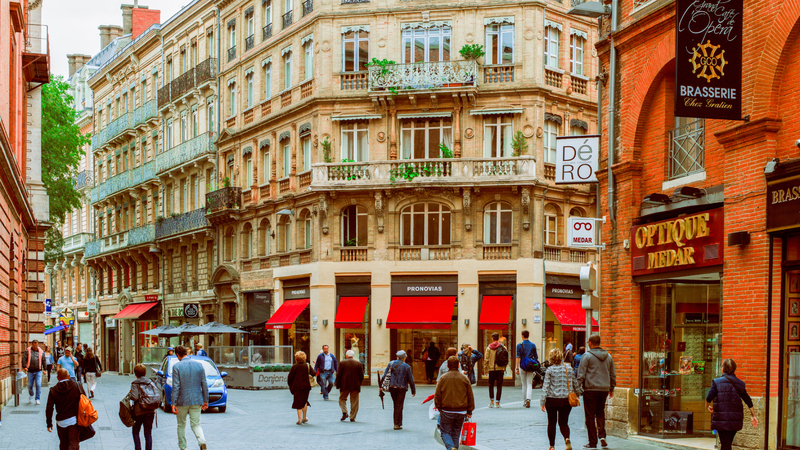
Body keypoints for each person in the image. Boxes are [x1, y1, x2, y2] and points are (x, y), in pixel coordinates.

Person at [706, 359, 758, 450]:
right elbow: (747, 400)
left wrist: (707, 406)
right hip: (734, 420)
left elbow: (709, 397)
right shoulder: (740, 384)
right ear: (734, 369)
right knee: (727, 443)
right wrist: (753, 415)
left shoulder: (717, 382)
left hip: (721, 420)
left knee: (725, 444)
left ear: (723, 369)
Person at [577, 334, 616, 449]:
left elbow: (581, 374)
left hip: (590, 389)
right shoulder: (608, 356)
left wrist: (576, 389)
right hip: (604, 389)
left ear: (590, 343)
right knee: (600, 412)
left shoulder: (587, 356)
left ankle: (592, 442)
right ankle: (602, 436)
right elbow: (612, 374)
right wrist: (611, 388)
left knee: (590, 416)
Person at [171, 346, 208, 450]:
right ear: (186, 353)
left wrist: (173, 403)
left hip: (182, 401)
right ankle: (202, 441)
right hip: (196, 399)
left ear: (178, 355)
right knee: (196, 425)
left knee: (181, 425)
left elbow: (176, 386)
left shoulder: (177, 366)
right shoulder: (199, 365)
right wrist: (206, 400)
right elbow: (204, 384)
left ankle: (183, 448)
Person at [541, 348, 579, 450]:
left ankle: (552, 446)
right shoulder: (569, 369)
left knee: (552, 423)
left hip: (552, 400)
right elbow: (575, 383)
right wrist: (578, 393)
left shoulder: (549, 370)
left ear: (551, 358)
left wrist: (542, 401)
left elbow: (546, 386)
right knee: (564, 423)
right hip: (565, 400)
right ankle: (567, 439)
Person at [435, 356, 475, 450]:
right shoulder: (464, 378)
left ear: (448, 366)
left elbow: (437, 395)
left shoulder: (443, 378)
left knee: (445, 432)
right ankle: (454, 448)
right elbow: (470, 395)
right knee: (456, 433)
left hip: (446, 409)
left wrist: (439, 407)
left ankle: (451, 447)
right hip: (461, 411)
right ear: (458, 365)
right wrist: (469, 410)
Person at [46, 369, 83, 450]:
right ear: (69, 376)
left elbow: (49, 408)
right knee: (74, 443)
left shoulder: (53, 390)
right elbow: (84, 401)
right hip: (74, 420)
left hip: (61, 422)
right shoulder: (76, 386)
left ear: (58, 378)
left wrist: (49, 423)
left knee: (63, 444)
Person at [382, 350, 416, 430]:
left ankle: (398, 423)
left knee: (396, 404)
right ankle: (397, 423)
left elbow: (384, 375)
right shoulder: (406, 366)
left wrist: (381, 386)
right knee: (399, 405)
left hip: (392, 387)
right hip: (402, 388)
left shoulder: (391, 364)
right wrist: (413, 390)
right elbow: (411, 379)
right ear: (404, 357)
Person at [130, 364, 158, 450]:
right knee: (148, 433)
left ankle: (138, 448)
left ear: (135, 374)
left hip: (139, 412)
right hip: (150, 411)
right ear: (145, 373)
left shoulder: (135, 383)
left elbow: (134, 397)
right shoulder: (151, 383)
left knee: (135, 431)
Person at [288, 351, 316, 425]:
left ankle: (299, 419)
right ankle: (304, 417)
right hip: (306, 386)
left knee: (298, 401)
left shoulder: (294, 366)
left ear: (296, 358)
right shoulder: (307, 365)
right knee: (304, 401)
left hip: (297, 386)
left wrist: (290, 385)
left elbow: (290, 377)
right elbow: (314, 373)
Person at [335, 349, 364, 422]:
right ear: (353, 356)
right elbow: (361, 375)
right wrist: (359, 383)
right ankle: (352, 416)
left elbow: (339, 375)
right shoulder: (358, 363)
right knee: (354, 401)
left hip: (344, 384)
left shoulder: (342, 363)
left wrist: (337, 384)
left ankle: (344, 411)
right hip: (355, 385)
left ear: (347, 355)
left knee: (342, 399)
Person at [515, 330, 540, 408]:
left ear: (522, 335)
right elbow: (536, 357)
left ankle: (525, 401)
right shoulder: (533, 345)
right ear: (528, 335)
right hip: (530, 366)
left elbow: (517, 357)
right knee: (529, 383)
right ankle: (529, 399)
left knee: (524, 384)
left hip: (522, 366)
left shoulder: (519, 345)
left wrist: (517, 368)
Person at [483, 332, 507, 408]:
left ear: (492, 339)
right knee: (499, 386)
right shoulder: (503, 347)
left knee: (491, 385)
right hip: (500, 369)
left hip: (491, 369)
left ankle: (492, 401)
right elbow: (506, 359)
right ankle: (497, 403)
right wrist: (504, 367)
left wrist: (485, 369)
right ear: (498, 338)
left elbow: (486, 359)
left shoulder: (489, 348)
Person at [23, 339, 46, 404]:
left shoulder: (41, 351)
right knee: (30, 385)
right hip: (30, 371)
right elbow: (24, 358)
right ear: (32, 344)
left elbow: (44, 360)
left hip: (38, 371)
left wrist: (45, 369)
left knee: (38, 384)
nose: (35, 347)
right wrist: (24, 366)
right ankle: (31, 394)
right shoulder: (28, 351)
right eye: (34, 346)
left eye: (36, 346)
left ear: (38, 345)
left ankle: (37, 398)